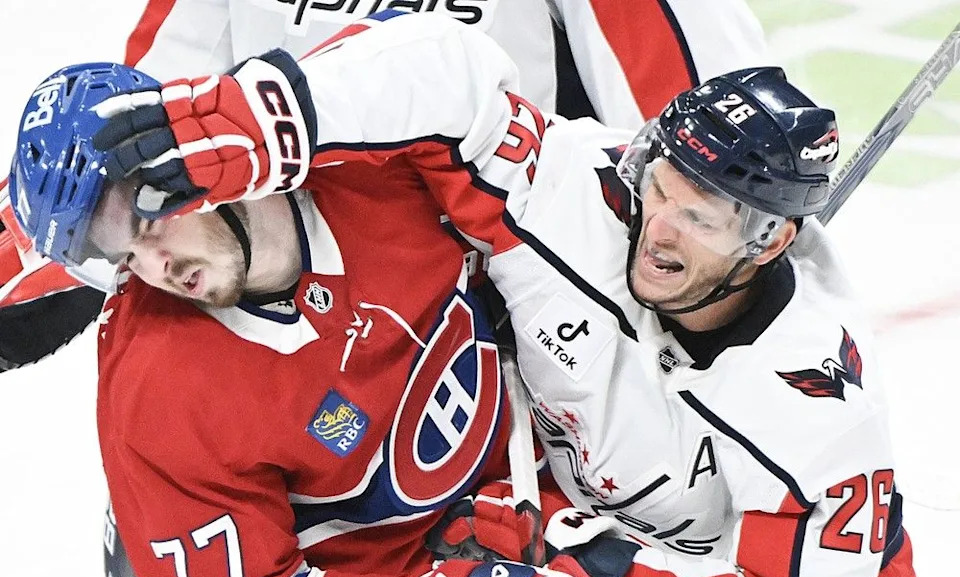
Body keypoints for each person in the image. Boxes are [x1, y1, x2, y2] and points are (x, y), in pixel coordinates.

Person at [64, 11, 952, 577]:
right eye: (664, 186)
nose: (658, 228)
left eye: (703, 219)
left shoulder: (815, 396)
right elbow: (451, 70)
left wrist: (583, 561)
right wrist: (262, 119)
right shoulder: (579, 199)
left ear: (770, 240)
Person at [9, 50, 604, 577]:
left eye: (148, 226)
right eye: (123, 256)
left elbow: (464, 70)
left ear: (198, 158)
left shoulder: (371, 157)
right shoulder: (160, 390)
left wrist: (514, 507)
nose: (155, 266)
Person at [0, 0, 766, 371]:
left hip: (512, 347)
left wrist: (726, 273)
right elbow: (134, 142)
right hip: (287, 331)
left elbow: (713, 140)